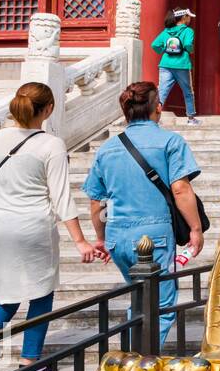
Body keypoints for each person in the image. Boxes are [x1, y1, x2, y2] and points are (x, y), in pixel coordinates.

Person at [0, 84, 103, 371]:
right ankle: (29, 363)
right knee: (40, 293)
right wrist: (80, 241)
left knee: (4, 297)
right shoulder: (50, 144)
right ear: (48, 109)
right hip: (32, 225)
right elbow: (61, 198)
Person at [82, 82, 204, 349]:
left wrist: (101, 238)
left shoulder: (107, 148)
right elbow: (181, 188)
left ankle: (130, 359)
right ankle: (137, 370)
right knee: (159, 307)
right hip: (154, 236)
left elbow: (96, 202)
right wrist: (195, 229)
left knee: (141, 300)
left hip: (118, 237)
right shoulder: (170, 141)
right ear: (157, 108)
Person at [152, 8, 199, 124]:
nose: (189, 19)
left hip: (165, 64)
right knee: (187, 92)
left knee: (162, 92)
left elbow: (154, 45)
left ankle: (153, 118)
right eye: (188, 17)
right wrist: (189, 50)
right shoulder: (188, 31)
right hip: (182, 64)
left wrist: (165, 49)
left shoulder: (166, 31)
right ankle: (191, 119)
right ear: (183, 17)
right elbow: (188, 45)